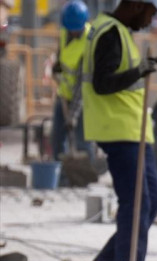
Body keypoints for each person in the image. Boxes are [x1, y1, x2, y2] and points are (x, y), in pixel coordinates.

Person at [81, 0, 157, 261]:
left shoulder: (116, 31)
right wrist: (139, 71)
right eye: (150, 13)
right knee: (136, 202)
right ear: (134, 5)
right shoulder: (111, 33)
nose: (150, 20)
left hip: (133, 131)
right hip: (118, 131)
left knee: (151, 199)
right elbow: (102, 85)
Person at [51, 0, 94, 165]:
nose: (74, 32)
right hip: (64, 94)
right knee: (57, 137)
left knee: (82, 139)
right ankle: (60, 173)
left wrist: (73, 116)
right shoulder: (65, 32)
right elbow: (62, 55)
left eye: (77, 29)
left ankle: (84, 175)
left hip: (83, 99)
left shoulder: (89, 43)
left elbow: (82, 85)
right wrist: (57, 67)